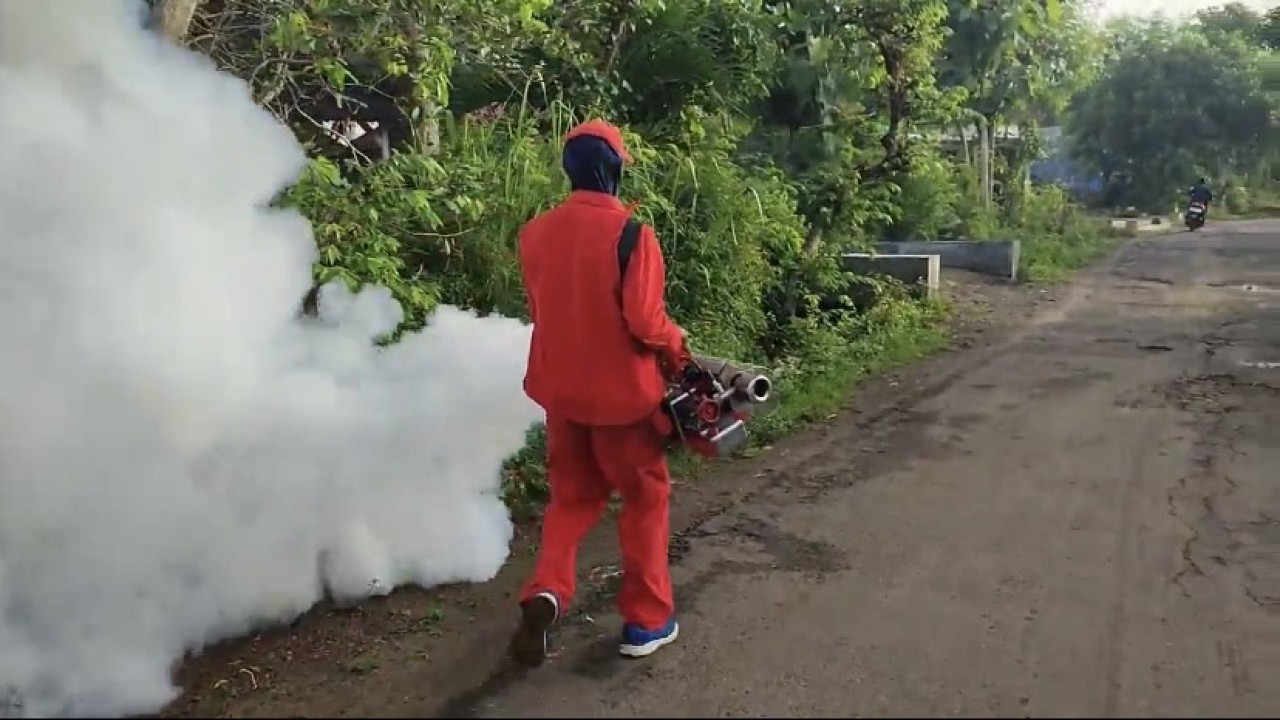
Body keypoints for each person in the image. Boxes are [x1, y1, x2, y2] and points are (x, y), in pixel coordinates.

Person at [510, 119, 689, 666]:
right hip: (623, 404)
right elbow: (644, 320)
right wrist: (676, 348)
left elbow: (544, 312)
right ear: (613, 170)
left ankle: (546, 590)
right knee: (643, 501)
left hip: (562, 395)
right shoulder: (633, 234)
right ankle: (647, 620)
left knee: (572, 497)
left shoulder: (534, 233)